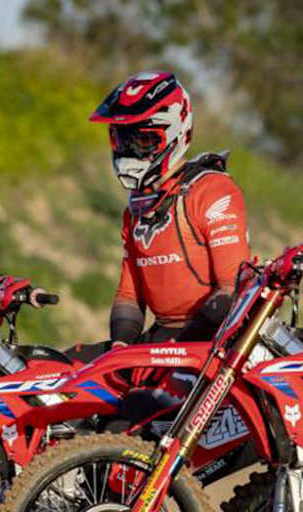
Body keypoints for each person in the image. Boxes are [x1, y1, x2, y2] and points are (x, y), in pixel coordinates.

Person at [66, 71, 250, 362]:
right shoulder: (136, 209)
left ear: (177, 133)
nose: (130, 153)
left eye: (143, 142)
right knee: (60, 367)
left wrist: (173, 350)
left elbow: (233, 290)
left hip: (211, 345)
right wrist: (121, 346)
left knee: (138, 407)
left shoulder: (212, 190)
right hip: (156, 343)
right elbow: (128, 295)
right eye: (123, 142)